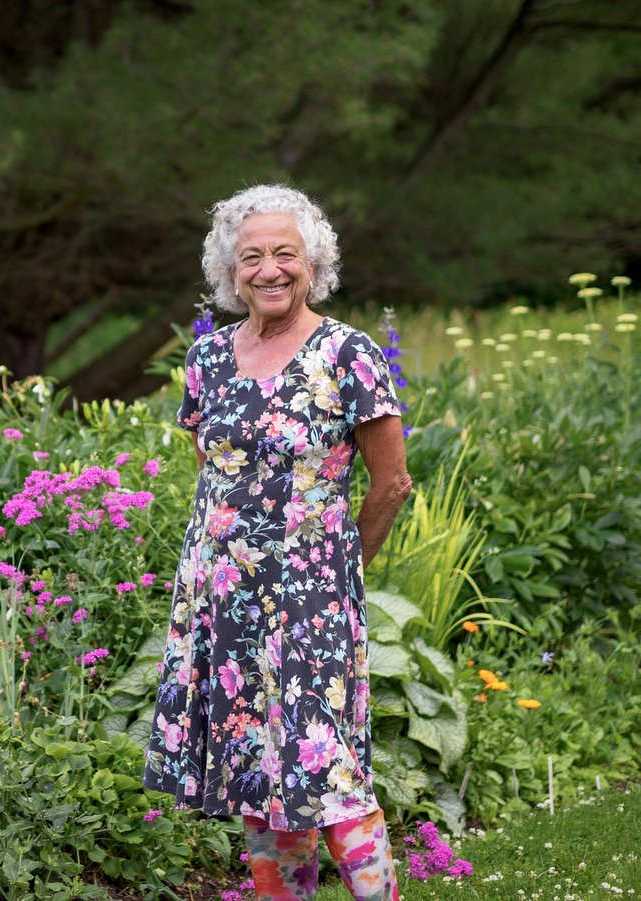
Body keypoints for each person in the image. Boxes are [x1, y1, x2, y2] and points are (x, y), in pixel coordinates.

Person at [142, 184, 410, 900]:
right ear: (231, 273)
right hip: (224, 598)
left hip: (311, 600)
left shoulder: (348, 354)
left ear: (313, 264)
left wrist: (337, 570)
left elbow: (391, 485)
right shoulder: (210, 360)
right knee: (260, 769)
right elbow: (214, 471)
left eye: (285, 254)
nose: (269, 270)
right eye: (251, 256)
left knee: (327, 768)